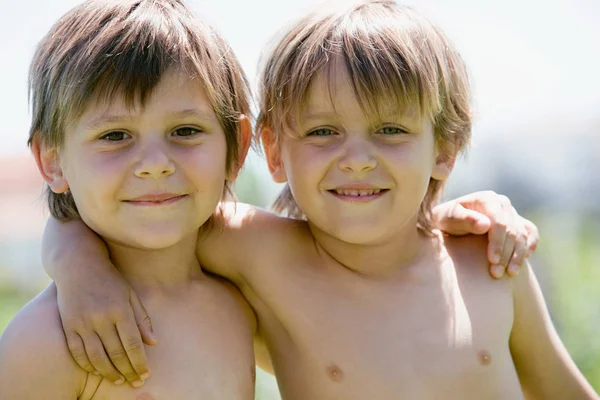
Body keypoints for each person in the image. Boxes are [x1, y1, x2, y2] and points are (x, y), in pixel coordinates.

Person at [28, 1, 582, 399]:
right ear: (271, 150)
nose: (357, 158)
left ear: (447, 148)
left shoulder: (490, 262)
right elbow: (129, 210)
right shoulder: (257, 252)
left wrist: (482, 207)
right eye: (322, 132)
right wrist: (78, 267)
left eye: (390, 129)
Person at [0, 0, 258, 398]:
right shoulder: (46, 342)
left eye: (186, 131)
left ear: (236, 148)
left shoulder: (247, 299)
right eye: (115, 136)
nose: (155, 165)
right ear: (52, 162)